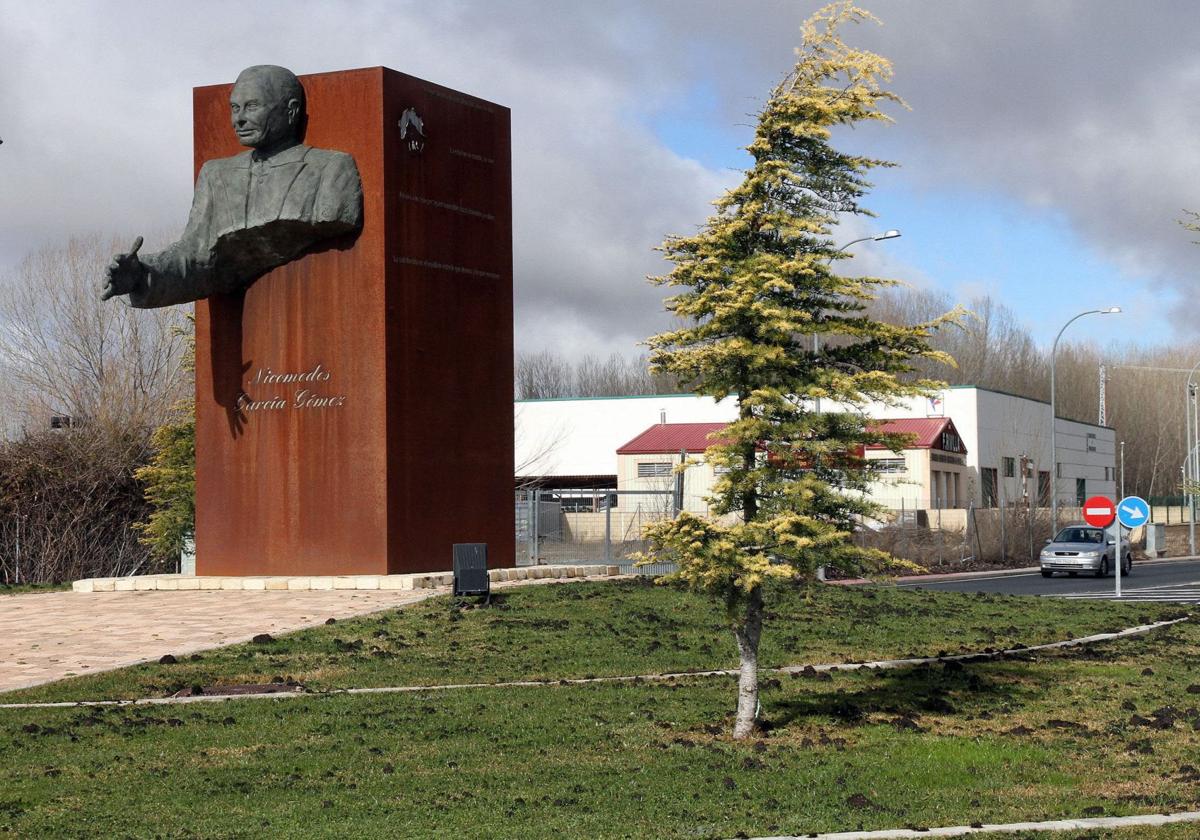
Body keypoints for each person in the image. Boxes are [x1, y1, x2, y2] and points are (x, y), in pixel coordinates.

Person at [101, 65, 362, 308]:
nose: (239, 119)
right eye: (235, 108)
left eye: (252, 107)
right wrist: (142, 273)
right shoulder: (216, 174)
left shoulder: (330, 168)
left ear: (291, 111)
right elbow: (195, 254)